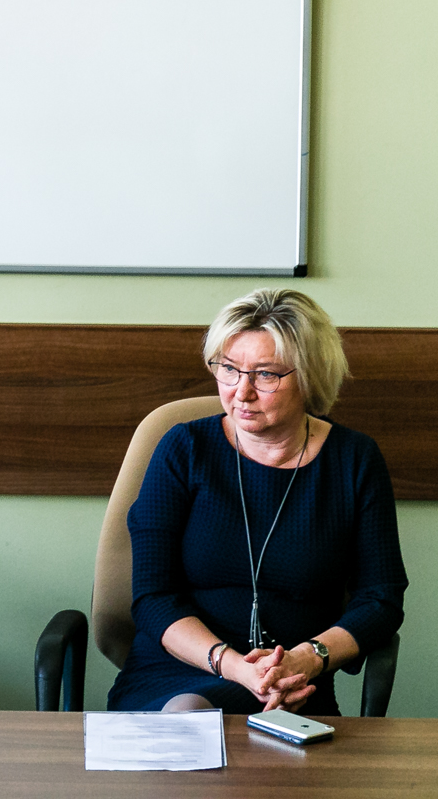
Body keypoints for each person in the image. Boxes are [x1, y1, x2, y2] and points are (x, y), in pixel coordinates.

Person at [108, 288, 407, 715]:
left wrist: (306, 659)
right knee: (189, 713)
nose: (241, 392)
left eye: (265, 374)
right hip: (178, 670)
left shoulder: (354, 460)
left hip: (295, 681)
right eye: (229, 369)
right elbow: (153, 597)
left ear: (309, 376)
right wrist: (236, 668)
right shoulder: (184, 449)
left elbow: (380, 599)